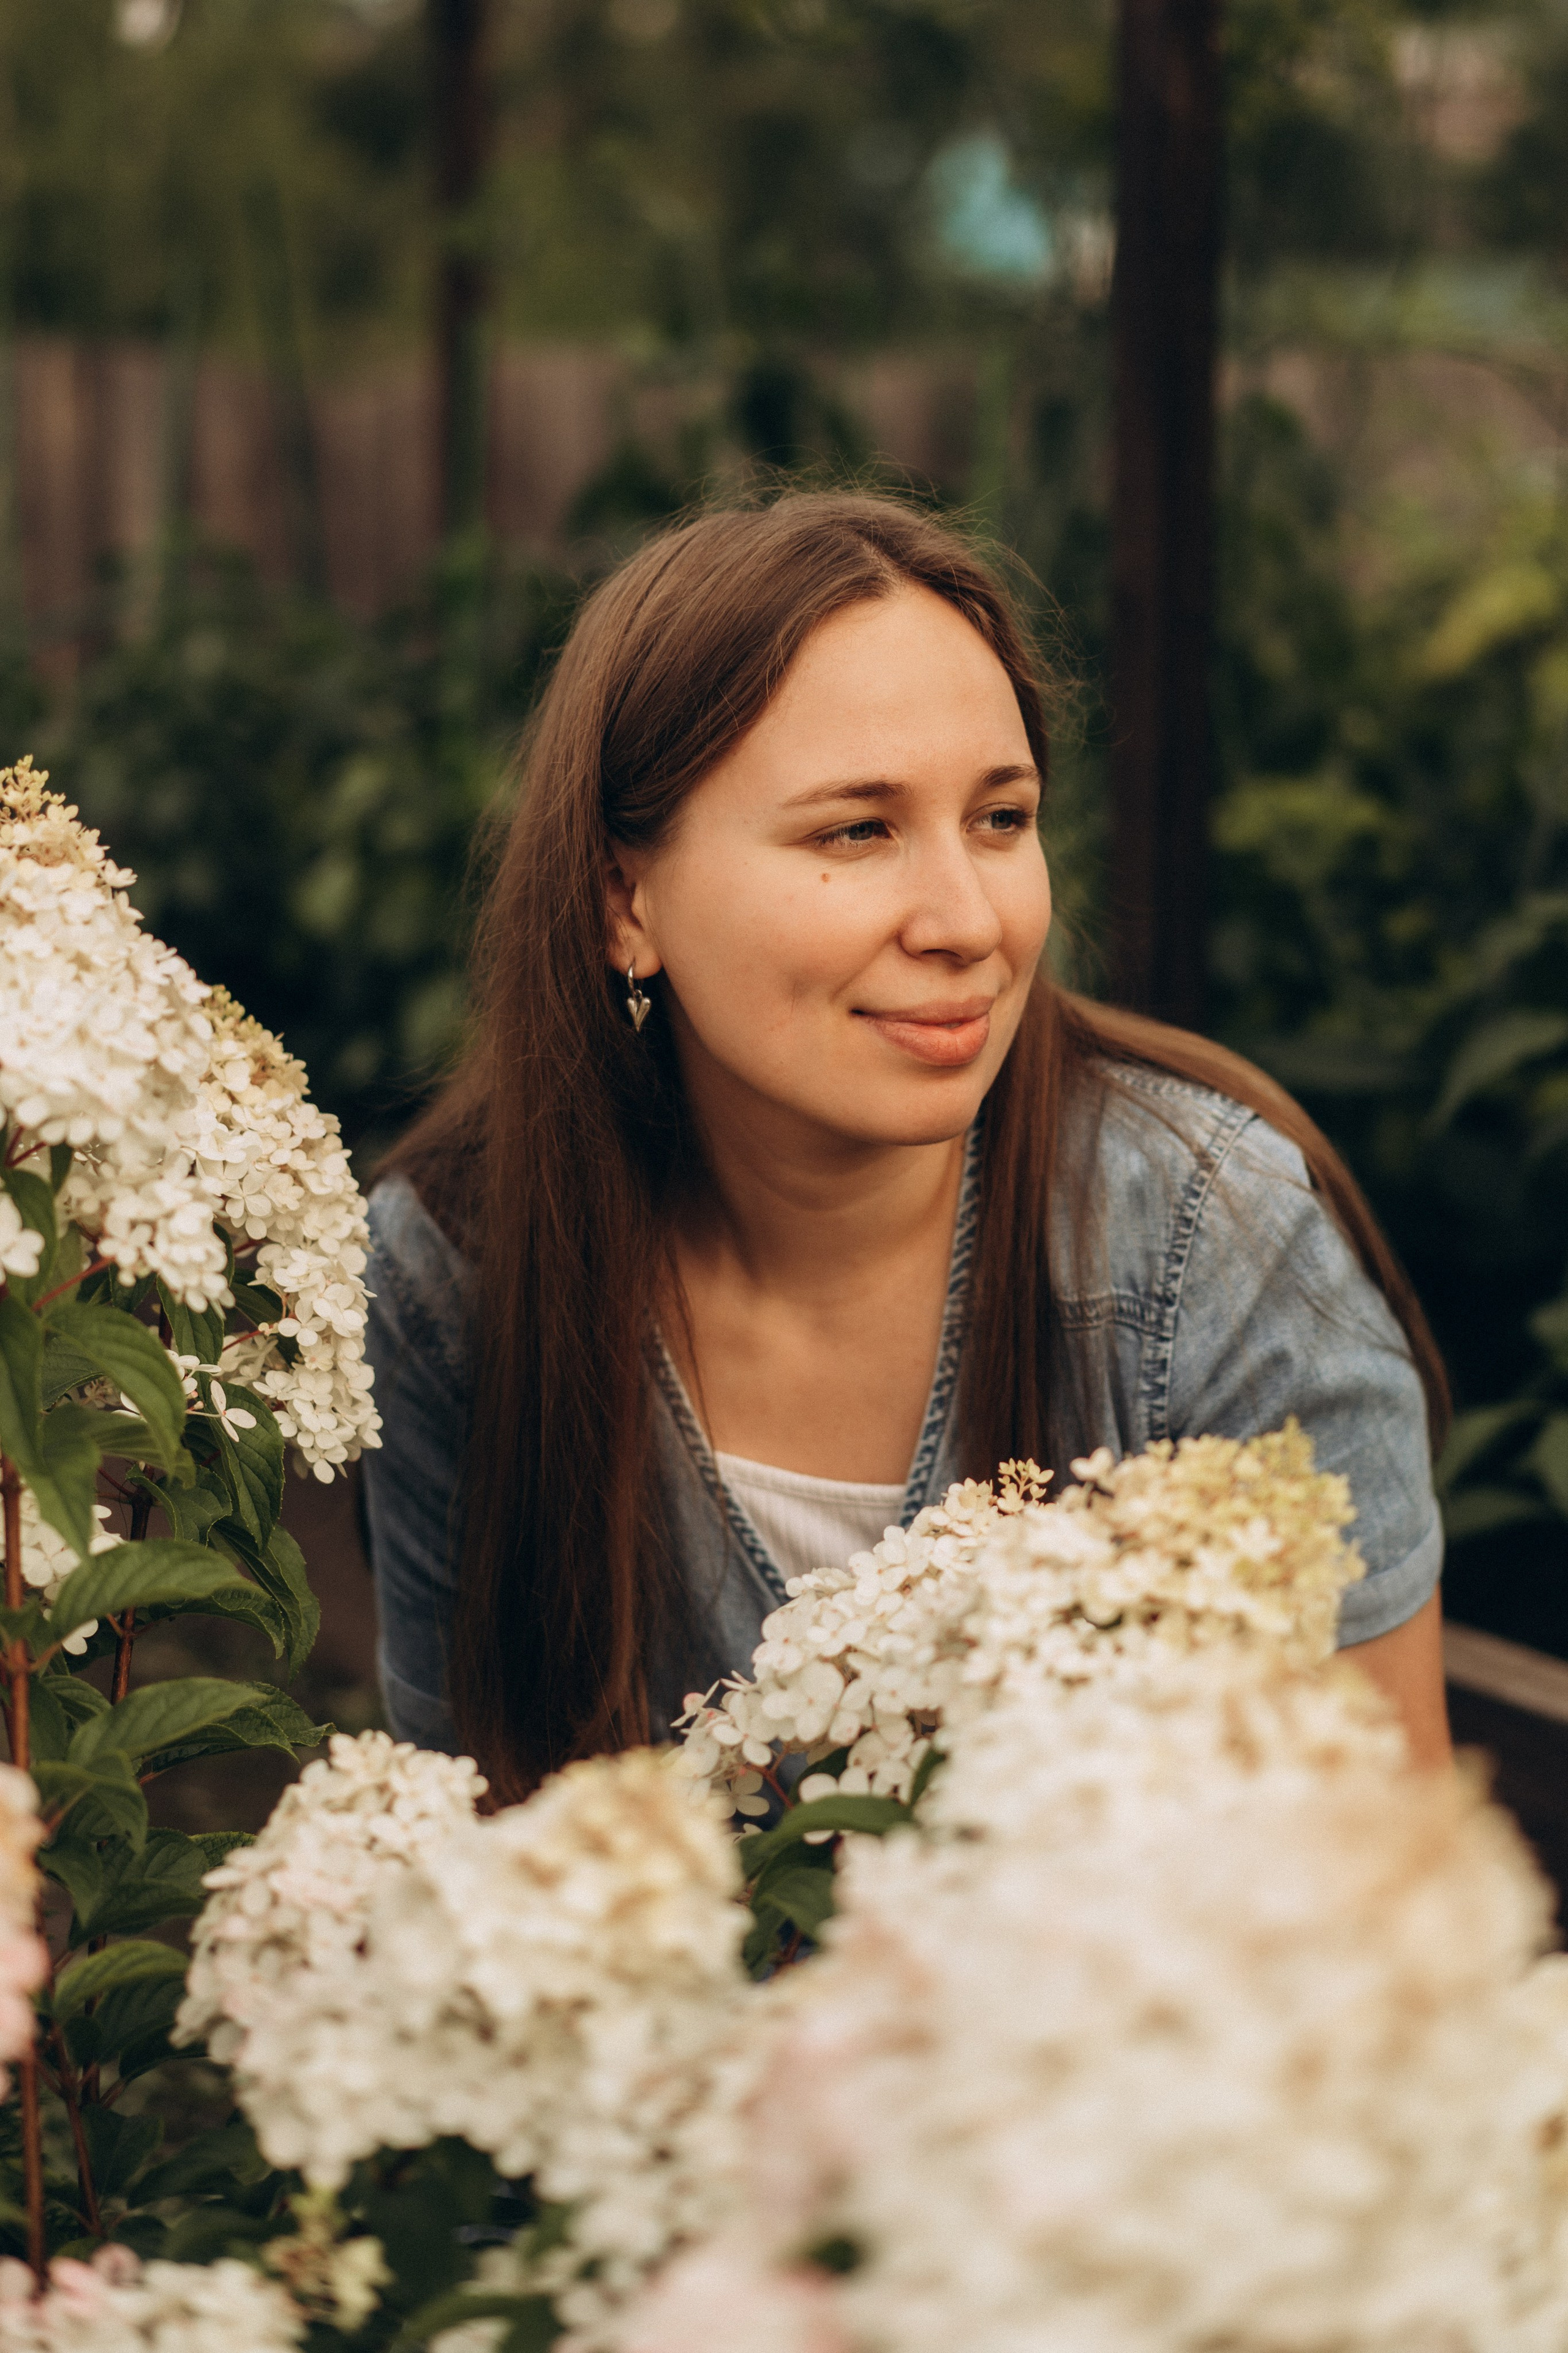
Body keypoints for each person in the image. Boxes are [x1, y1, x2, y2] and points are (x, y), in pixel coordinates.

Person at [363, 490, 1451, 1801]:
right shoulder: (460, 1277)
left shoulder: (1203, 1241)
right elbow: (468, 1863)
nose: (964, 921)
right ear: (622, 900)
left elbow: (1378, 1874)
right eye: (855, 829)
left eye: (999, 819)